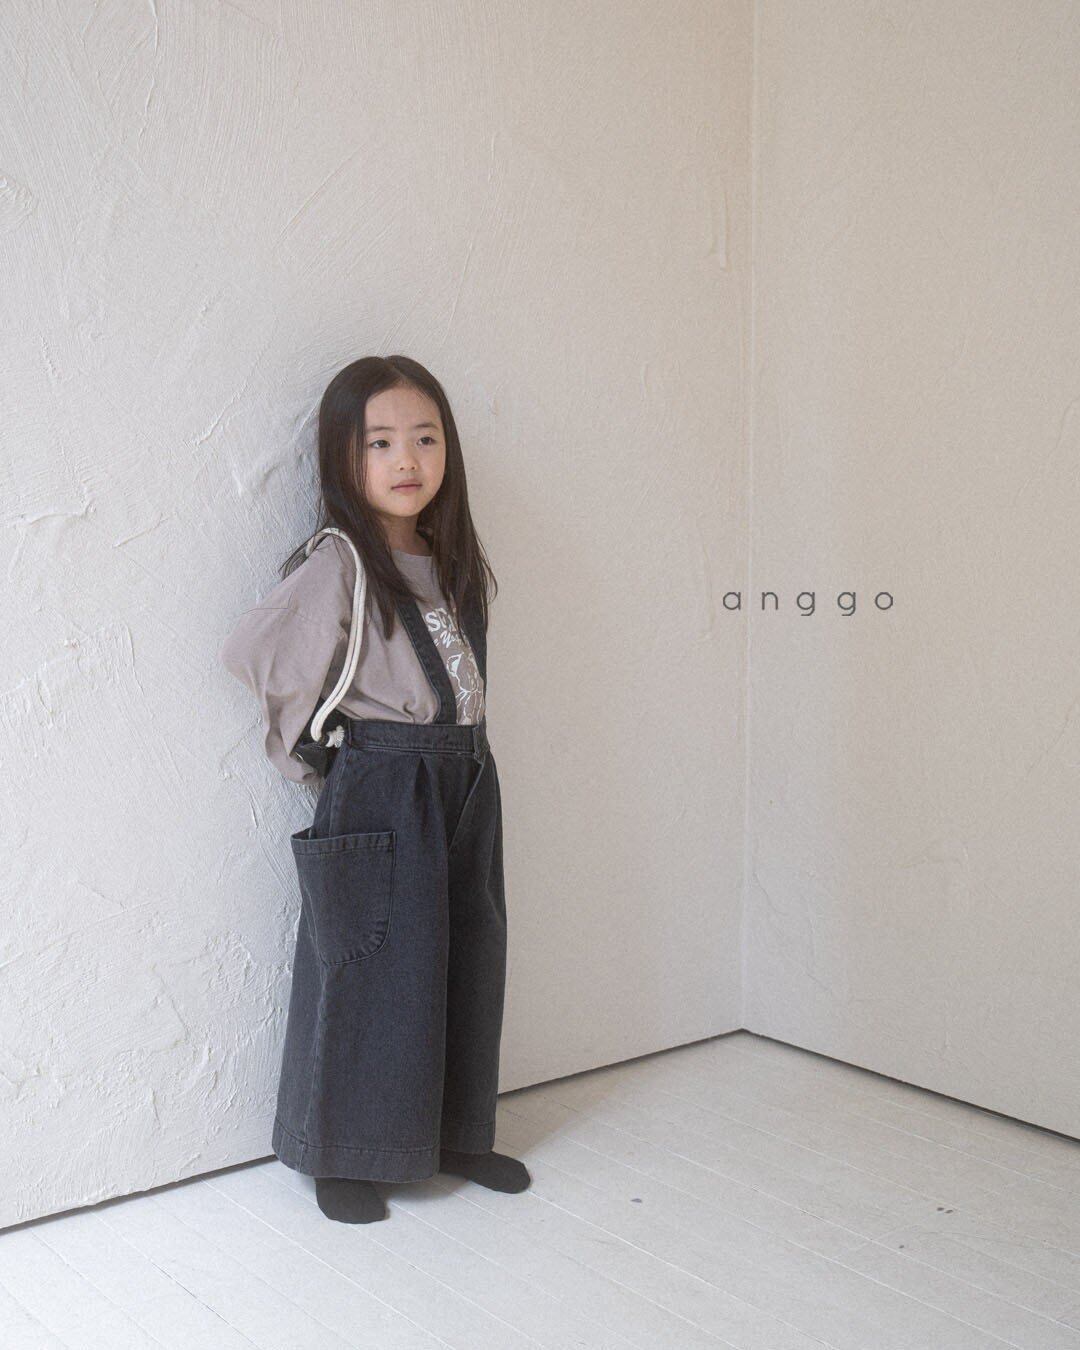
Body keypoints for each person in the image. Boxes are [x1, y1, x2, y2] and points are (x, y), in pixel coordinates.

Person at [219, 355, 529, 1224]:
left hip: (466, 775)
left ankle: (457, 1133)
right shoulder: (342, 562)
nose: (407, 459)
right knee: (369, 969)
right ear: (343, 458)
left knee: (469, 953)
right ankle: (343, 1153)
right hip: (386, 782)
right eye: (380, 442)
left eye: (425, 438)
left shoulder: (447, 557)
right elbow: (253, 651)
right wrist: (313, 757)